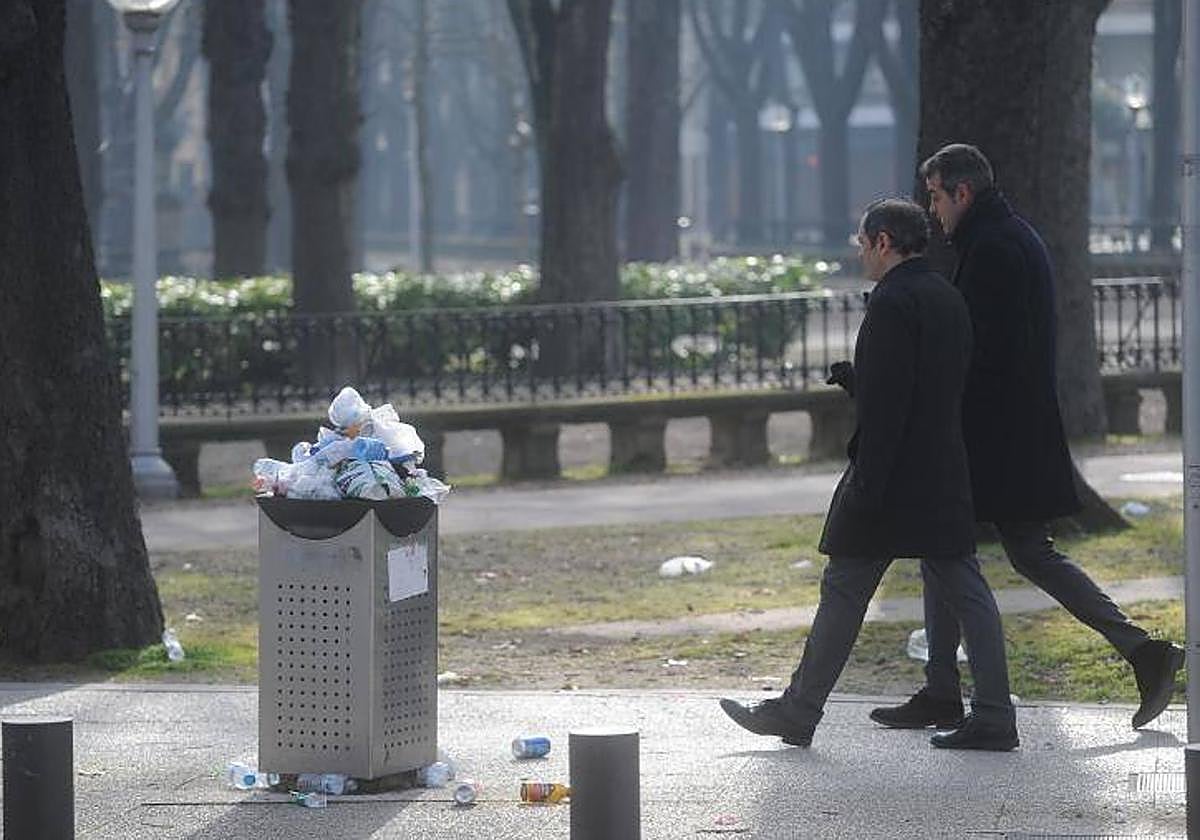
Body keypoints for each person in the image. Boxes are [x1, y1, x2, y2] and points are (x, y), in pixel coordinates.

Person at [870, 143, 1183, 734]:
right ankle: (944, 688)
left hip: (998, 434)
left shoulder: (993, 248)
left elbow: (980, 350)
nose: (931, 211)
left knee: (999, 551)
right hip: (1009, 429)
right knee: (955, 550)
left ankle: (1142, 651)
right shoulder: (1006, 237)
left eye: (935, 196)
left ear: (962, 192)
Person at [719, 198, 1019, 751]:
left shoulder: (892, 302)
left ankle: (799, 709)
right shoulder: (947, 296)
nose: (860, 253)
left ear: (884, 241)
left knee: (844, 588)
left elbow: (889, 409)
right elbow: (931, 386)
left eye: (863, 243)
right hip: (942, 468)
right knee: (968, 590)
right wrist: (864, 380)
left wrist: (867, 485)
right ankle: (996, 713)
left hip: (892, 477)